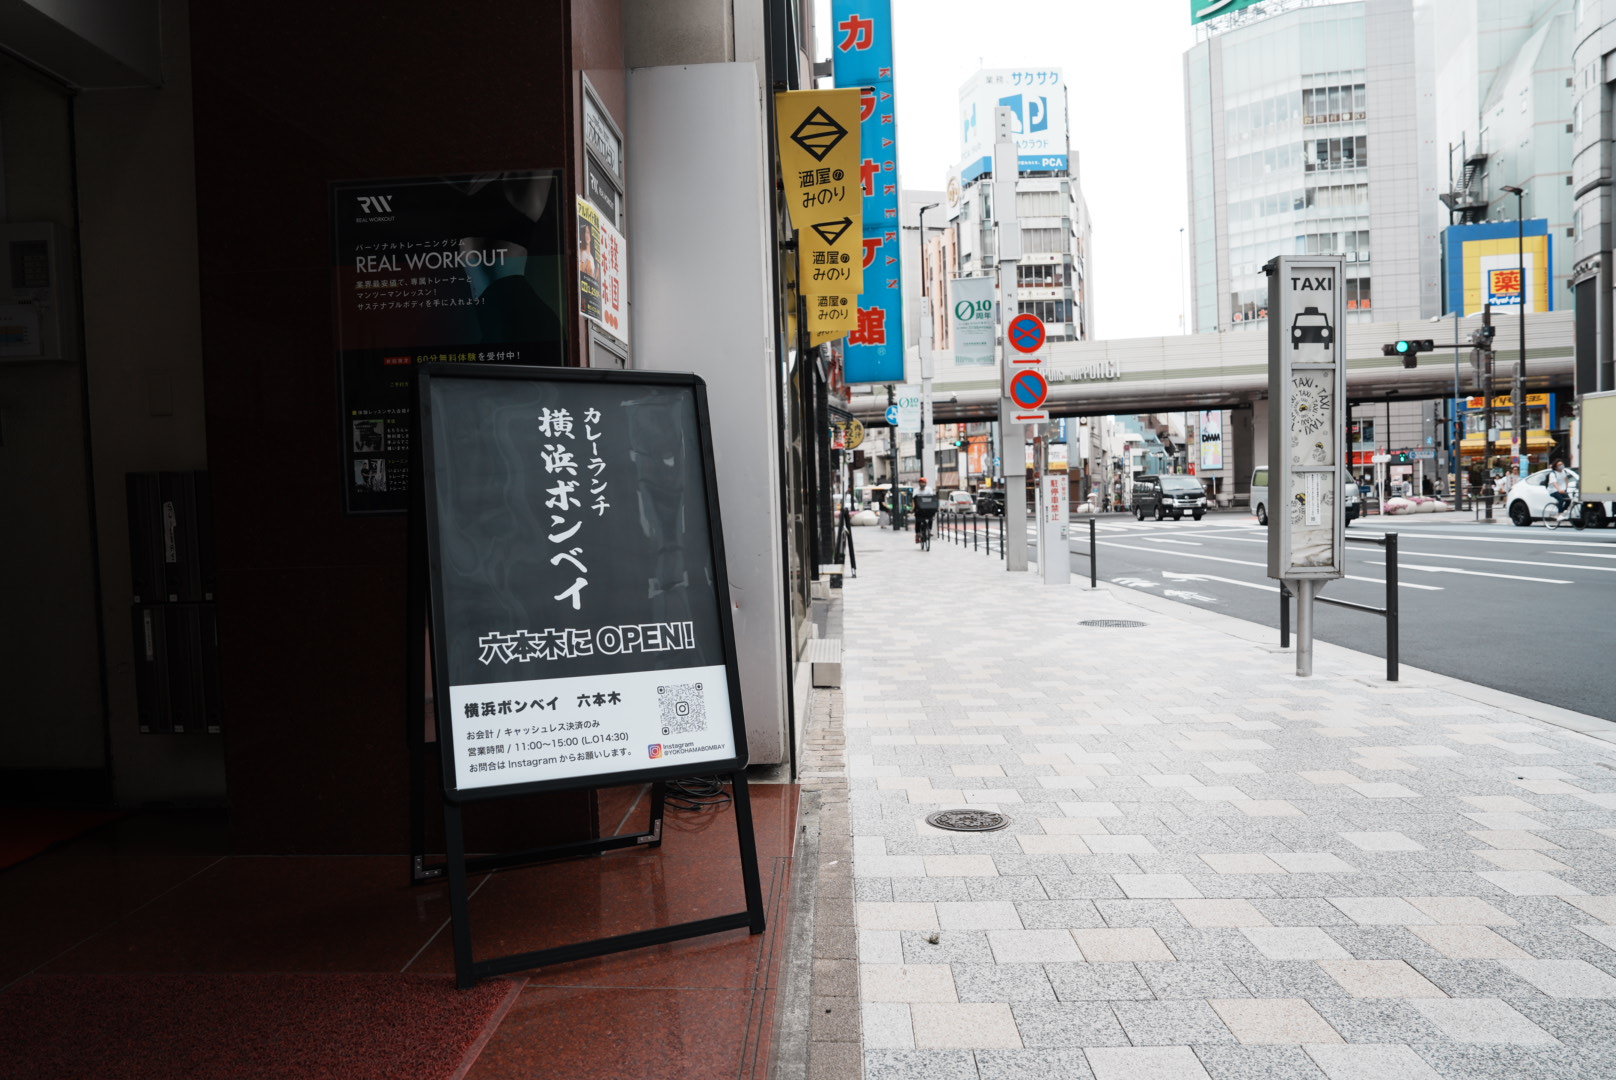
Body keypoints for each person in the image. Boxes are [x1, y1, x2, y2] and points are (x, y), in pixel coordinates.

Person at [913, 476, 938, 545]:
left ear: (926, 483)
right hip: (919, 509)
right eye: (921, 482)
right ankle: (917, 533)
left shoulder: (929, 490)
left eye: (923, 482)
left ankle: (929, 530)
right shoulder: (916, 490)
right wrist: (913, 508)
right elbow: (914, 500)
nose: (922, 483)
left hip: (927, 508)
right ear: (919, 483)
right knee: (918, 519)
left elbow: (932, 499)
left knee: (931, 517)